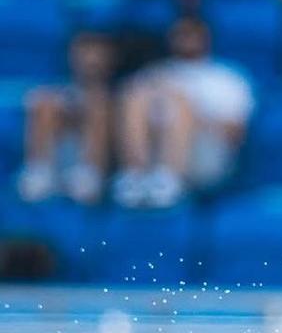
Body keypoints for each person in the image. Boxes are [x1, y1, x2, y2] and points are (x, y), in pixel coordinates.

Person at [114, 16, 254, 208]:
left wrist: (194, 118)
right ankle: (135, 177)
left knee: (181, 103)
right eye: (180, 34)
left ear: (206, 37)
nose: (186, 39)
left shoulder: (227, 77)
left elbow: (234, 135)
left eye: (192, 34)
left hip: (206, 153)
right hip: (153, 149)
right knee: (136, 95)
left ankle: (170, 180)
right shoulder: (154, 73)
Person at [18, 31, 117, 204]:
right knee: (44, 102)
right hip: (61, 157)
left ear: (109, 58)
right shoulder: (55, 92)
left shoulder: (120, 95)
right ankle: (40, 171)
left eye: (96, 53)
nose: (90, 59)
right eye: (84, 53)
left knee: (97, 105)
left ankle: (88, 174)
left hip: (102, 166)